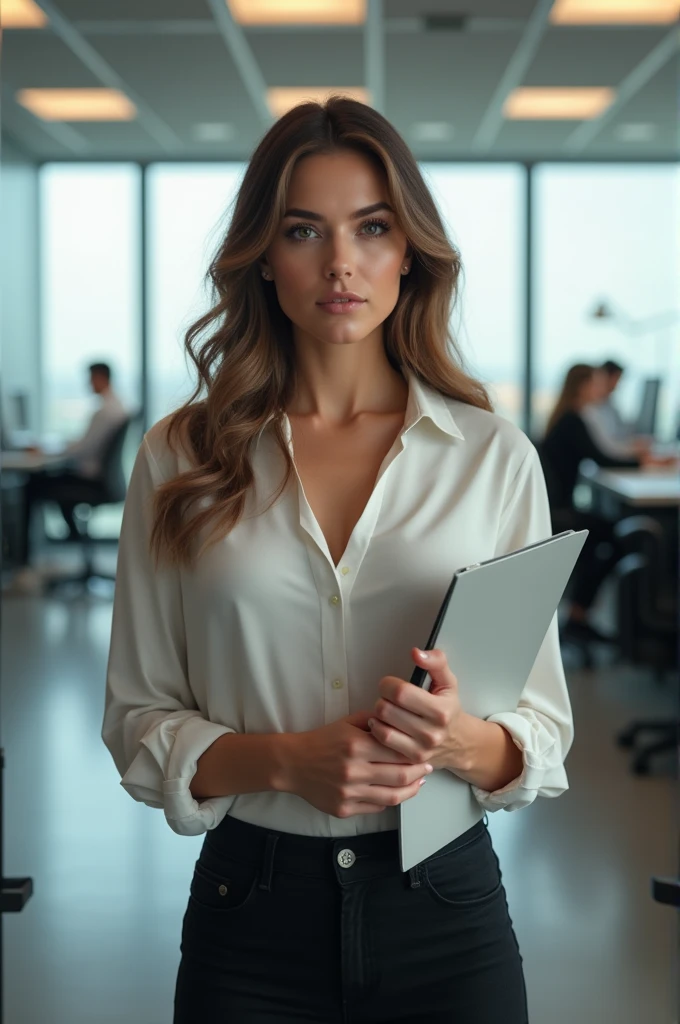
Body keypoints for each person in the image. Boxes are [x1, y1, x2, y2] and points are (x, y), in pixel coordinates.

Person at [102, 97, 574, 1024]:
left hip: (446, 908)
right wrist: (287, 762)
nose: (341, 263)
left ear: (410, 253)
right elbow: (137, 720)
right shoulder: (180, 457)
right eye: (303, 230)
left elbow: (541, 729)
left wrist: (462, 743)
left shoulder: (494, 455)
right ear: (263, 260)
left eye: (372, 226)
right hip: (252, 915)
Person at [540, 363, 675, 645]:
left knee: (608, 535)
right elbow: (602, 458)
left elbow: (600, 456)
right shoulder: (572, 420)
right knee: (616, 536)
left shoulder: (568, 418)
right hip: (559, 513)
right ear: (582, 386)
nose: (601, 390)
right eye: (596, 384)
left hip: (556, 509)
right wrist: (645, 461)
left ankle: (579, 615)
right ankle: (578, 616)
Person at [17, 362, 128, 572]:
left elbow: (84, 449)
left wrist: (48, 449)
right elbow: (86, 444)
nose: (88, 384)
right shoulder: (117, 406)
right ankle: (72, 538)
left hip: (92, 480)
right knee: (45, 479)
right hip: (104, 480)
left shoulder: (106, 411)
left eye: (91, 378)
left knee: (31, 485)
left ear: (101, 378)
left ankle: (24, 563)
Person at [580, 359, 651, 459]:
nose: (618, 385)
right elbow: (606, 448)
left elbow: (619, 433)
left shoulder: (608, 404)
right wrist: (637, 456)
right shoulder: (588, 411)